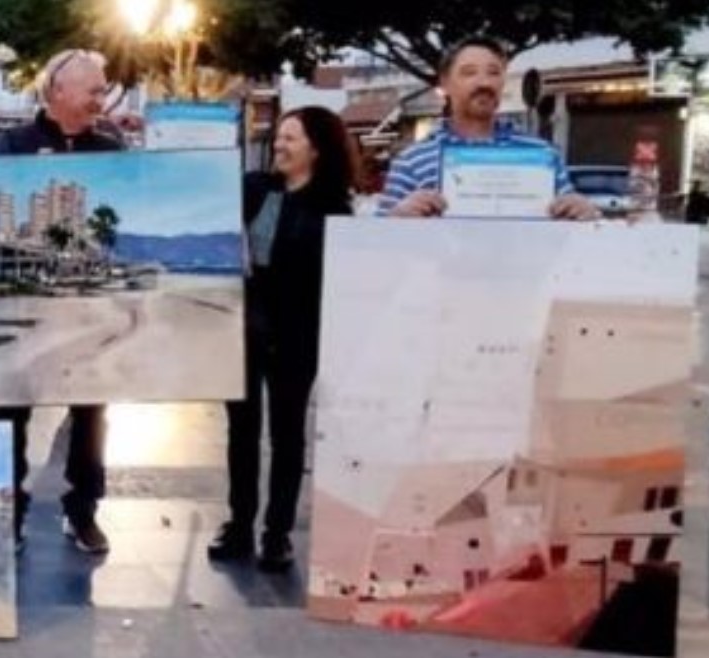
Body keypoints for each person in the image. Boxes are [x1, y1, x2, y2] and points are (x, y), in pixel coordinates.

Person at [207, 106, 358, 573]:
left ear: (316, 146)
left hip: (297, 334)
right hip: (244, 330)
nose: (280, 145)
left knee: (288, 436)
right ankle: (239, 523)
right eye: (279, 137)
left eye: (291, 137)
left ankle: (277, 533)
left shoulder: (334, 207)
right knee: (242, 432)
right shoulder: (256, 189)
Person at [0, 49, 124, 555]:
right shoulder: (12, 145)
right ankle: (10, 511)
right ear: (58, 91)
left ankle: (82, 509)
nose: (100, 99)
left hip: (89, 310)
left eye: (102, 89)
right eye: (93, 90)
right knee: (12, 410)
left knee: (92, 412)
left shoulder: (112, 148)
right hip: (27, 305)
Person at [378, 36, 598, 220]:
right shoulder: (411, 161)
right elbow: (378, 244)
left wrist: (584, 213)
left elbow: (570, 235)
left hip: (525, 272)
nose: (484, 83)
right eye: (469, 72)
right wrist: (398, 217)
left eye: (494, 73)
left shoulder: (543, 155)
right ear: (444, 84)